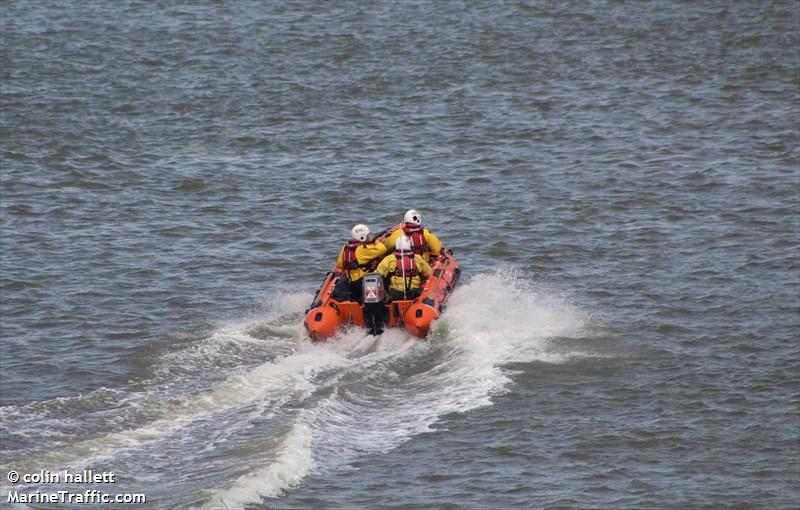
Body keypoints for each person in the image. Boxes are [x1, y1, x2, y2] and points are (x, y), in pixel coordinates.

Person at [333, 224, 388, 302]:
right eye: (368, 235)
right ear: (363, 236)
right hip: (361, 281)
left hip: (349, 282)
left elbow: (340, 264)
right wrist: (377, 242)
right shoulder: (363, 249)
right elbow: (382, 249)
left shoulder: (346, 247)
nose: (369, 237)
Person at [376, 235, 433, 302]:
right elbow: (429, 273)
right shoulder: (417, 258)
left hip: (395, 293)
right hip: (414, 292)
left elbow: (378, 274)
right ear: (410, 246)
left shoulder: (389, 259)